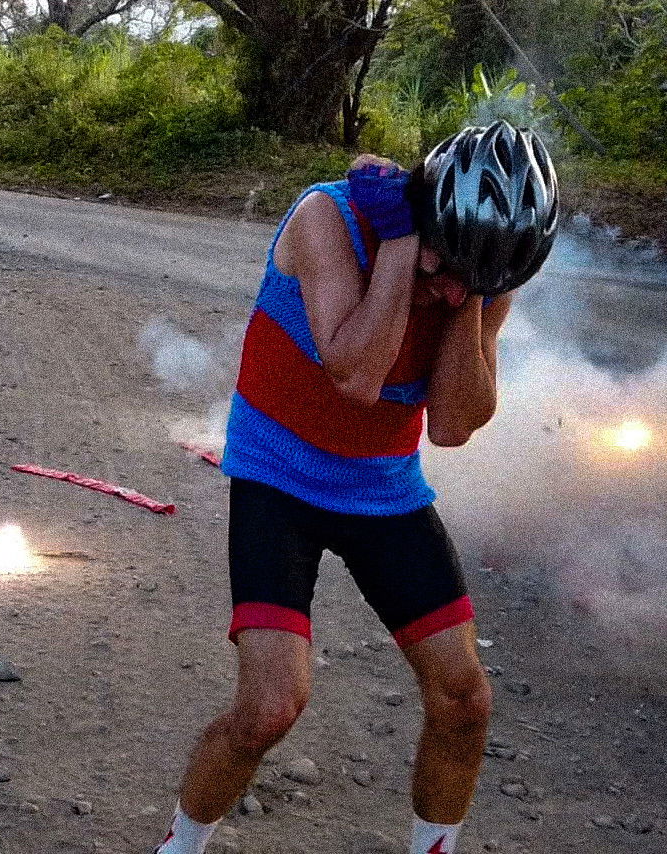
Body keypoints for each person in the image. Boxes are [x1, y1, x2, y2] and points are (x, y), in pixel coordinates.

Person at [155, 120, 559, 854]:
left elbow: (453, 425)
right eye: (448, 265)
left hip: (385, 492)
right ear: (422, 210)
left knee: (465, 699)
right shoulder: (328, 218)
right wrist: (403, 247)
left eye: (481, 279)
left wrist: (470, 292)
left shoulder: (478, 275)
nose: (451, 289)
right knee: (269, 710)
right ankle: (179, 847)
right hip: (280, 481)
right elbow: (357, 375)